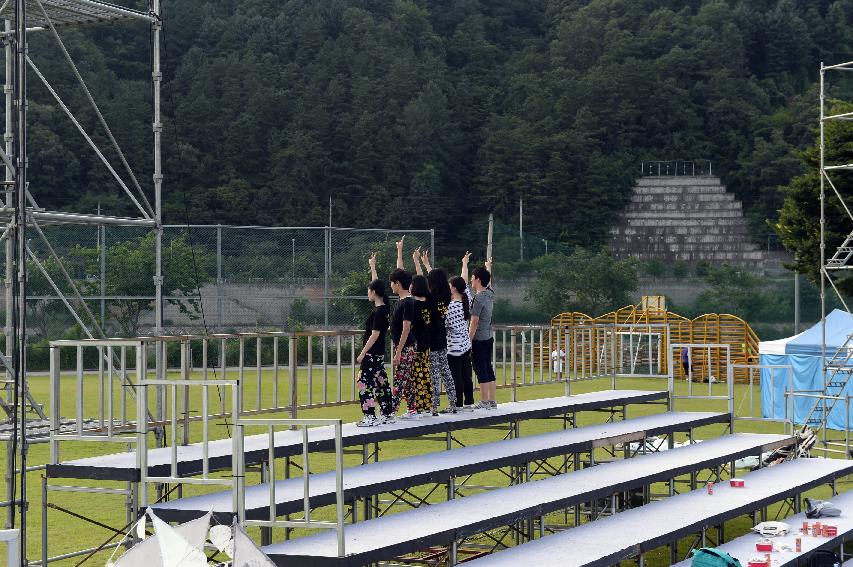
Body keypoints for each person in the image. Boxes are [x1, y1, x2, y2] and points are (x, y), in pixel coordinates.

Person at [415, 249, 458, 414]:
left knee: (433, 373)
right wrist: (425, 263)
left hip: (430, 338)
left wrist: (418, 262)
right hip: (442, 337)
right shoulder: (446, 295)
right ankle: (453, 403)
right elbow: (431, 277)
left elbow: (420, 281)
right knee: (446, 371)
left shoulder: (430, 296)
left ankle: (433, 406)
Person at [355, 262, 395, 427]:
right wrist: (373, 268)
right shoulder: (384, 308)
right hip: (379, 354)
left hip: (371, 354)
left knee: (364, 383)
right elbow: (377, 285)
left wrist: (363, 353)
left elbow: (375, 334)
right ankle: (387, 413)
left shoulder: (379, 312)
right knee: (381, 383)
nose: (368, 293)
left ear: (373, 292)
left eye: (369, 290)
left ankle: (370, 416)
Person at [384, 237, 418, 417]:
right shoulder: (402, 300)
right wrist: (399, 251)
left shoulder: (408, 303)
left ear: (397, 284)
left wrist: (398, 352)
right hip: (403, 346)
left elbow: (406, 328)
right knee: (407, 379)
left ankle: (390, 412)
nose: (390, 285)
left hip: (406, 347)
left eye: (392, 282)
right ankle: (413, 409)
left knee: (399, 379)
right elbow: (401, 271)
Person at [395, 272, 433, 418]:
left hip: (414, 343)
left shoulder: (413, 304)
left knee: (413, 377)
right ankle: (427, 407)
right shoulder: (429, 302)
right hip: (426, 343)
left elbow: (409, 326)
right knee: (424, 375)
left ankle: (415, 408)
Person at [462, 252, 496, 409]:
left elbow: (474, 321)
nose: (471, 280)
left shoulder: (479, 298)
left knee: (480, 368)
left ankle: (484, 401)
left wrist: (468, 340)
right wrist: (488, 267)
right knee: (488, 367)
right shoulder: (490, 293)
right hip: (489, 337)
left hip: (479, 339)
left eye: (473, 277)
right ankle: (492, 400)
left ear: (478, 280)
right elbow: (489, 282)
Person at [447, 275, 475, 411]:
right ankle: (469, 401)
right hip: (465, 344)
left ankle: (457, 404)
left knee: (455, 376)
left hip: (454, 347)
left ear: (454, 288)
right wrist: (464, 264)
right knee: (466, 375)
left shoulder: (451, 307)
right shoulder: (467, 301)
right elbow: (466, 287)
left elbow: (446, 325)